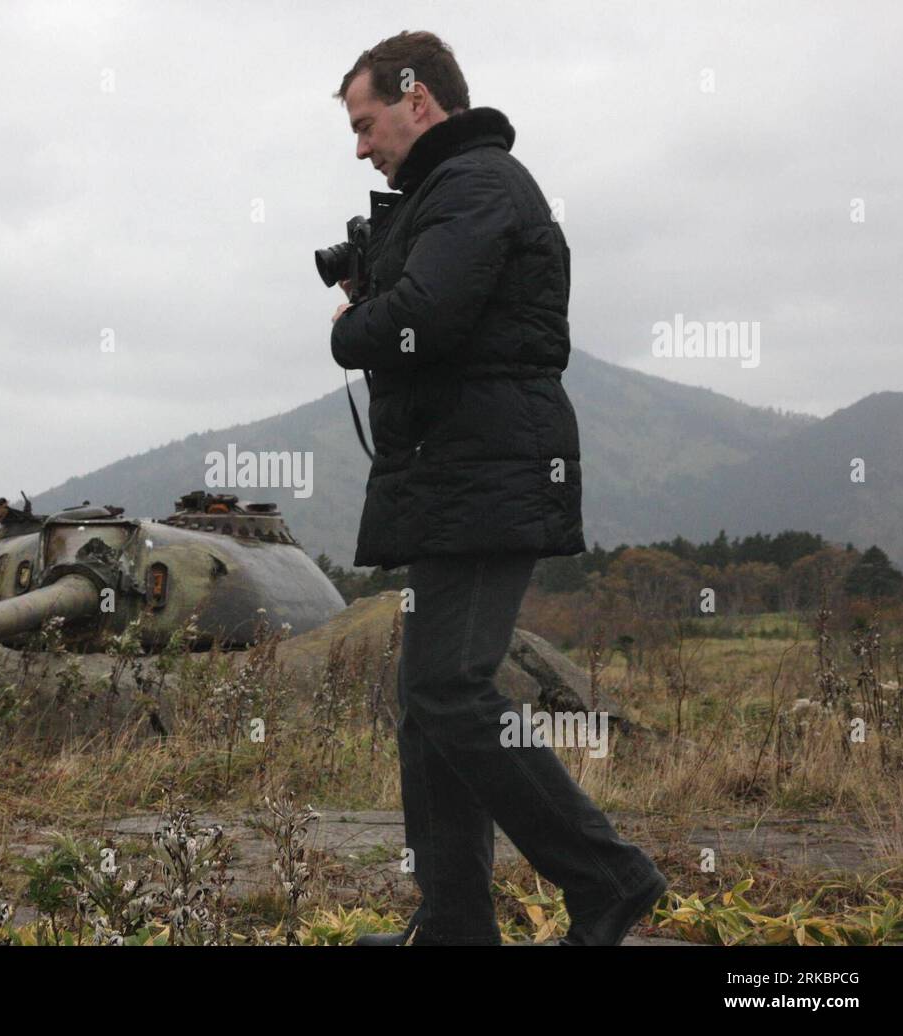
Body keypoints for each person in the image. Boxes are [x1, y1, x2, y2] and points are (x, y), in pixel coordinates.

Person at [328, 30, 666, 946]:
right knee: (426, 710)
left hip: (487, 473)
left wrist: (351, 324)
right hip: (455, 476)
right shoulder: (449, 192)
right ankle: (453, 926)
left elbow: (423, 322)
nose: (361, 145)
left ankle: (610, 878)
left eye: (367, 124)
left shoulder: (476, 184)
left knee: (451, 690)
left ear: (419, 100)